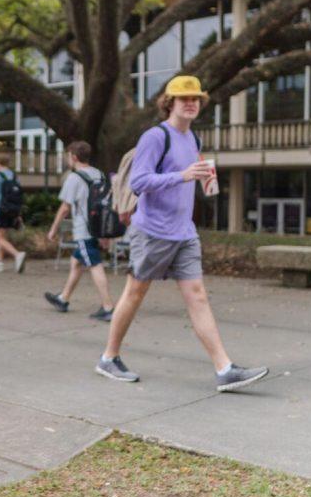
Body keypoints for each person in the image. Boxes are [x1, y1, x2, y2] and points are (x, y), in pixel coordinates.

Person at [96, 75, 269, 392]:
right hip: (153, 232)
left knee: (198, 296)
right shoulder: (155, 136)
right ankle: (109, 357)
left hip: (184, 232)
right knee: (134, 294)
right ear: (169, 103)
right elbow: (139, 182)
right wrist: (182, 175)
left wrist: (203, 180)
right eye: (183, 98)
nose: (191, 103)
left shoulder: (194, 140)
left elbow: (188, 177)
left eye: (196, 99)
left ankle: (224, 369)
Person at [44, 141, 117, 319]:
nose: (67, 159)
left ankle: (108, 307)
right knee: (77, 262)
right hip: (98, 227)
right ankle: (63, 298)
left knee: (94, 264)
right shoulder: (99, 174)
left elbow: (65, 208)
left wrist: (53, 229)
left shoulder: (74, 178)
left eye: (68, 155)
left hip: (84, 230)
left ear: (74, 157)